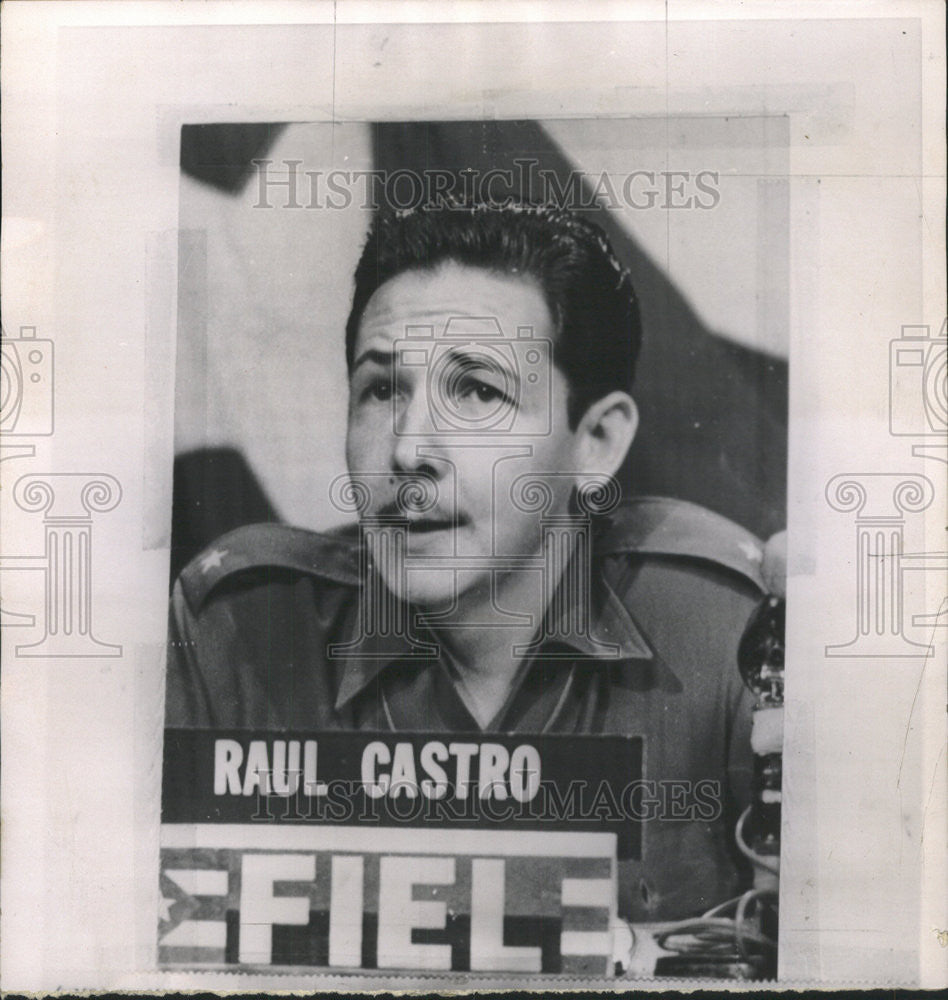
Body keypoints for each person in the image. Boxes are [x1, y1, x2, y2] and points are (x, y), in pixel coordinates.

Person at [166, 201, 770, 922]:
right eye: (382, 389)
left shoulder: (726, 628)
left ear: (597, 442)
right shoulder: (238, 634)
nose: (408, 449)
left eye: (479, 391)